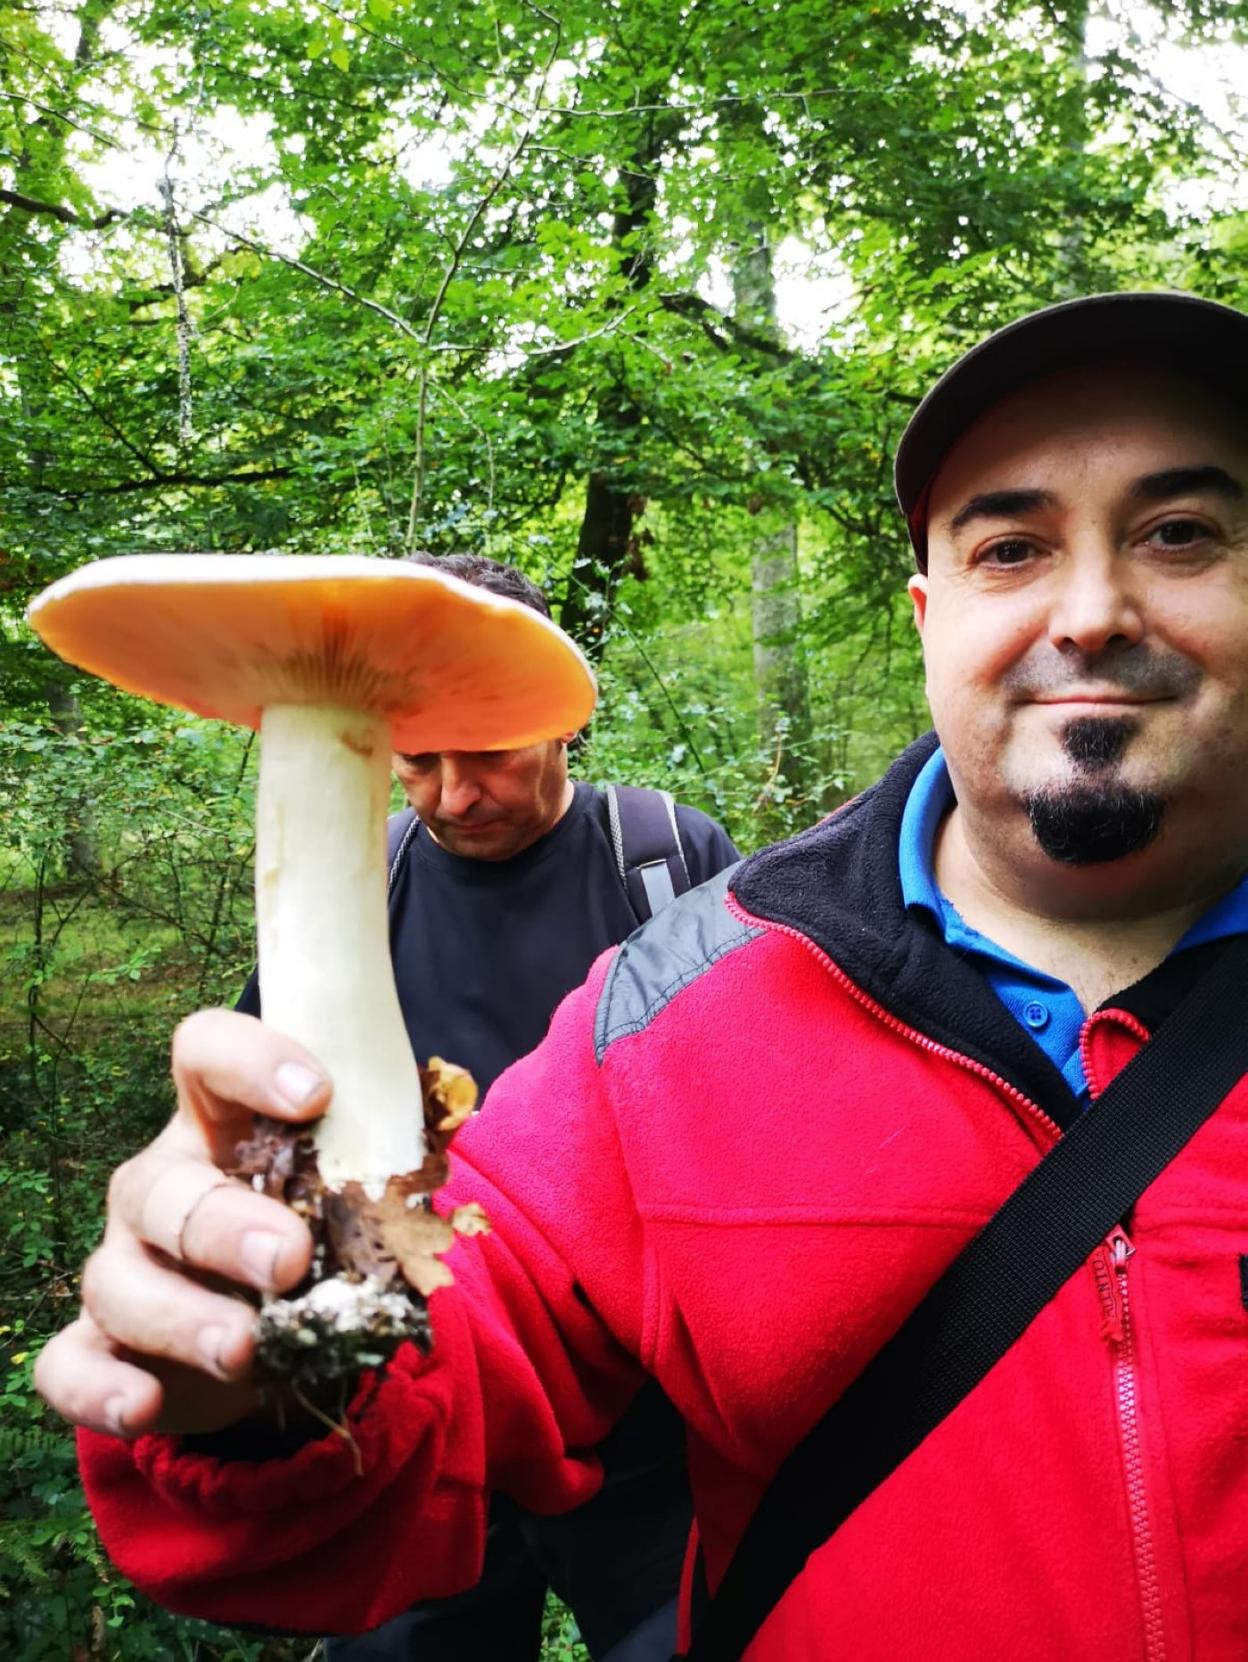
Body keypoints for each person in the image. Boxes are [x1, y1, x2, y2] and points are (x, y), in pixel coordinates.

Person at [37, 291, 1248, 1660]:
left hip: (642, 1496)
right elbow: (434, 1388)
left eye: (1179, 532)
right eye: (1012, 546)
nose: (1089, 612)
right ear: (930, 612)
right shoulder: (689, 1007)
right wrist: (241, 1382)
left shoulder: (655, 857)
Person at [233, 551, 740, 1662]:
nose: (455, 795)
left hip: (641, 1420)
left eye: (493, 754)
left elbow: (742, 1104)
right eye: (417, 760)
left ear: (562, 718)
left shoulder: (663, 856)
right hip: (427, 1396)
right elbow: (272, 1103)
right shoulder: (353, 876)